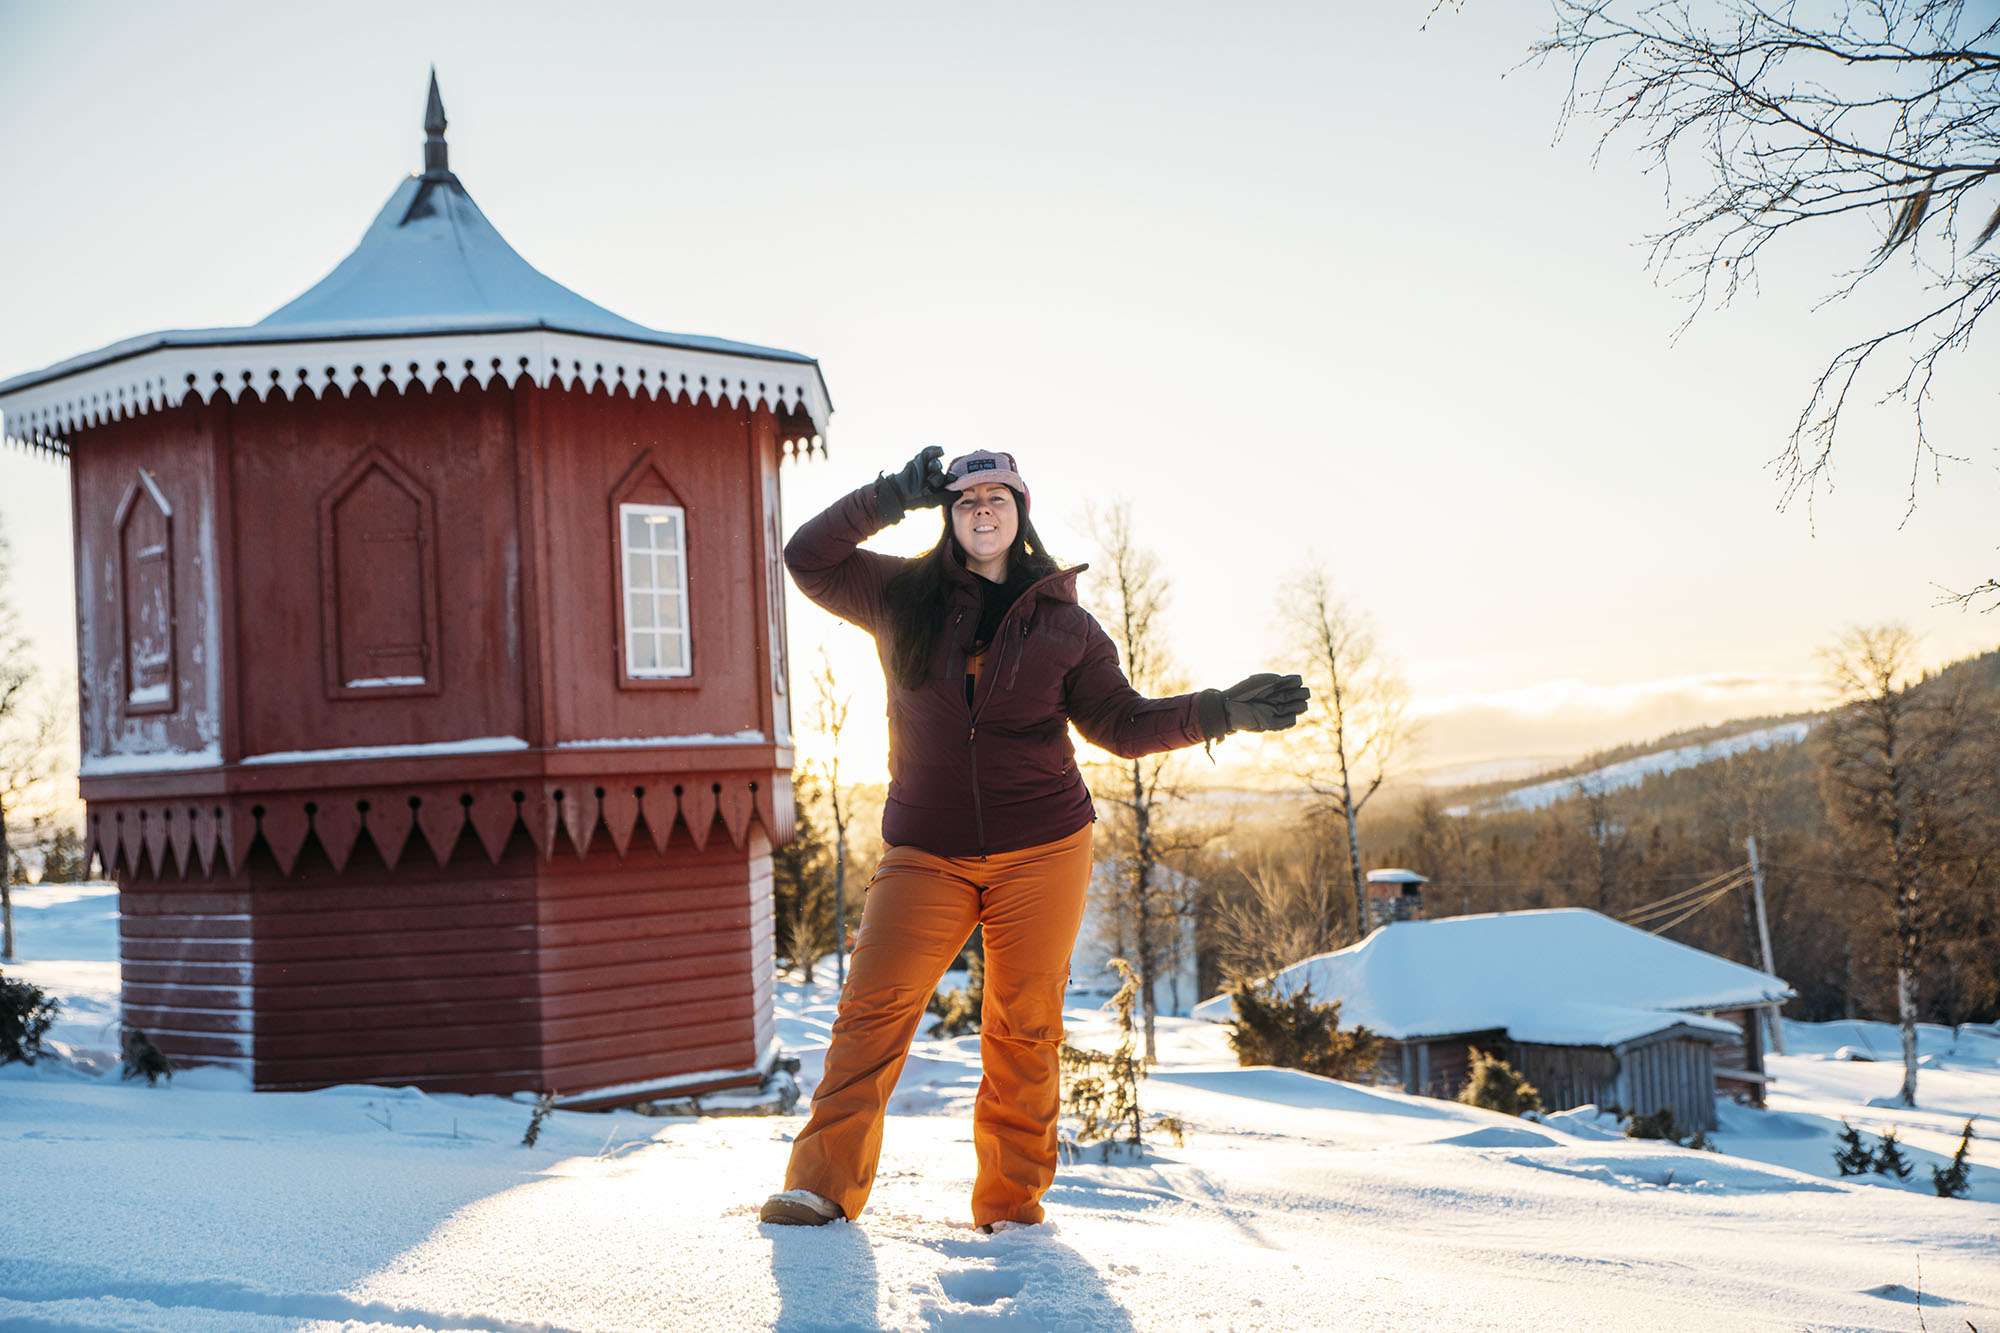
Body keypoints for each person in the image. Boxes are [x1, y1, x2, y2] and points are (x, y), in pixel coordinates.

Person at [759, 445, 1309, 1230]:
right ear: (948, 517)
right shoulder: (899, 593)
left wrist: (1219, 709)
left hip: (1045, 846)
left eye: (999, 497)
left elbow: (1120, 723)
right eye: (966, 498)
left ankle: (1010, 1209)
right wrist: (890, 495)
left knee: (1023, 1027)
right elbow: (806, 556)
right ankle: (820, 1186)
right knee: (870, 1011)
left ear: (1021, 516)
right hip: (925, 847)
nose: (983, 508)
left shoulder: (1066, 626)